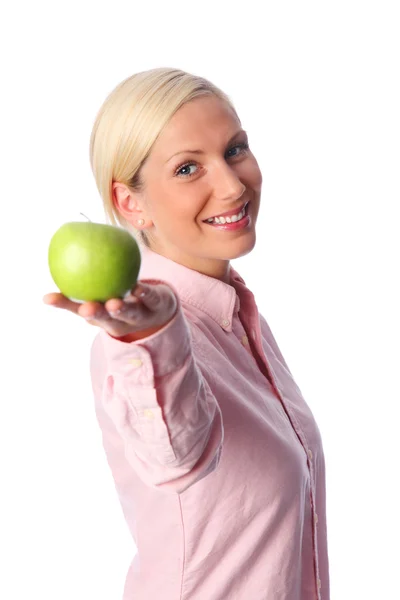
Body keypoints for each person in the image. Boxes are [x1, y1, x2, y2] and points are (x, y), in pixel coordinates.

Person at [43, 67, 330, 599]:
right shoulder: (134, 342)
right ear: (130, 202)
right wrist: (151, 339)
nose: (232, 184)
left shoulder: (240, 317)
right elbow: (176, 456)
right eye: (187, 168)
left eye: (235, 149)